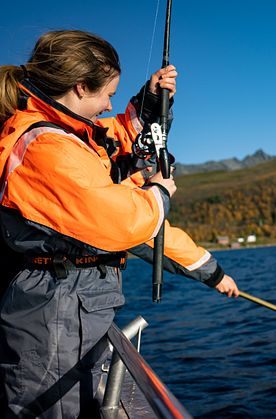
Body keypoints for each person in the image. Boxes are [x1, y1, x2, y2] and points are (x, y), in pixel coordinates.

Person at [0, 30, 239, 417]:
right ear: (81, 87)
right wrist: (159, 193)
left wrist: (149, 102)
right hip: (56, 315)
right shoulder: (47, 148)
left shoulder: (65, 134)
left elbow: (111, 140)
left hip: (70, 309)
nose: (110, 103)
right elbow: (121, 223)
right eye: (108, 94)